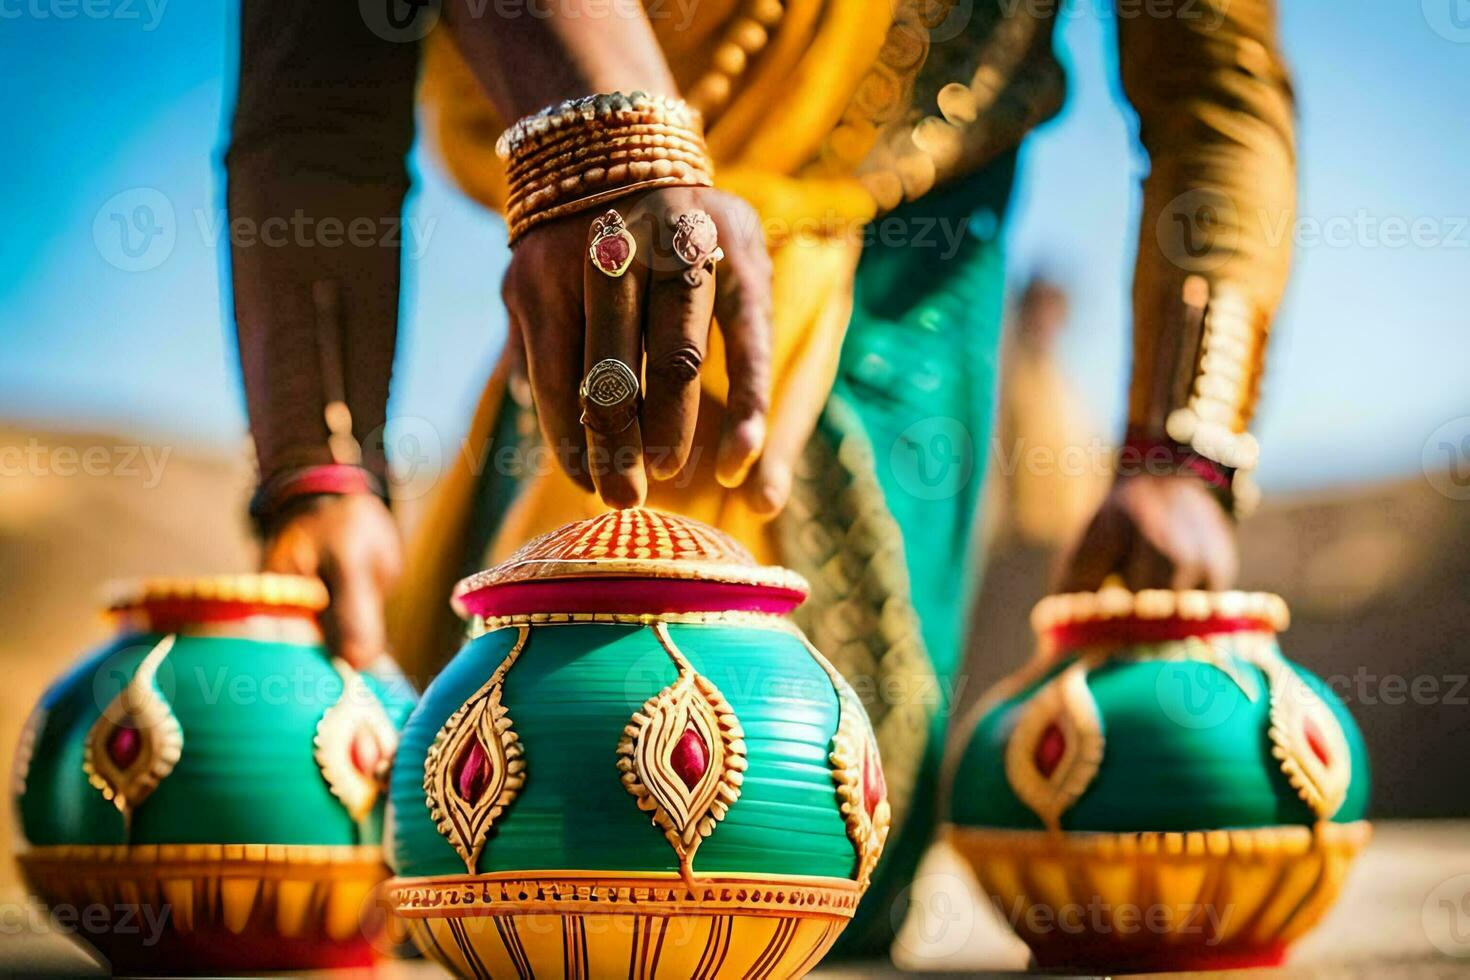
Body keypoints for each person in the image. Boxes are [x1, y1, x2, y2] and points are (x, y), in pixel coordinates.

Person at [227, 0, 1295, 953]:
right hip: (579, 271)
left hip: (902, 266)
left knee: (821, 867)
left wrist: (1182, 448)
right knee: (489, 866)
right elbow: (316, 94)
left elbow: (1214, 78)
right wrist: (325, 469)